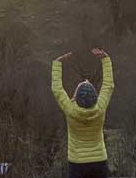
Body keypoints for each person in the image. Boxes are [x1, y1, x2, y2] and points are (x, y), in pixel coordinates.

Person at [52, 48, 115, 178]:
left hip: (77, 163)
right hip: (99, 161)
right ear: (96, 97)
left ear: (76, 97)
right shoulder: (100, 108)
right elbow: (109, 85)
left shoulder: (70, 110)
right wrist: (106, 60)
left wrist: (57, 63)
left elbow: (57, 89)